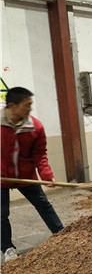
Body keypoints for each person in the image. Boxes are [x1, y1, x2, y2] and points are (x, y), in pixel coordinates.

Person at [1, 87, 64, 262]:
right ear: (12, 105)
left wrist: (46, 173)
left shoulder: (35, 127)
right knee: (1, 215)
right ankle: (7, 249)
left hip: (26, 175)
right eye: (27, 105)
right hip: (1, 176)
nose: (30, 108)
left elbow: (39, 154)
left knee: (44, 205)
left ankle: (62, 234)